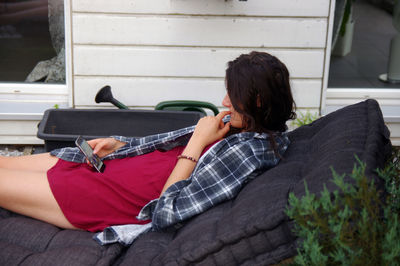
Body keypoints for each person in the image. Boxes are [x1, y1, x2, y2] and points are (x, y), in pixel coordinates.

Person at [0, 51, 296, 245]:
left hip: (99, 197)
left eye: (233, 95)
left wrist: (198, 139)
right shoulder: (237, 125)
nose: (225, 101)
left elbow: (166, 212)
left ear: (257, 101)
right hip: (105, 165)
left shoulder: (248, 153)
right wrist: (119, 144)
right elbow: (163, 147)